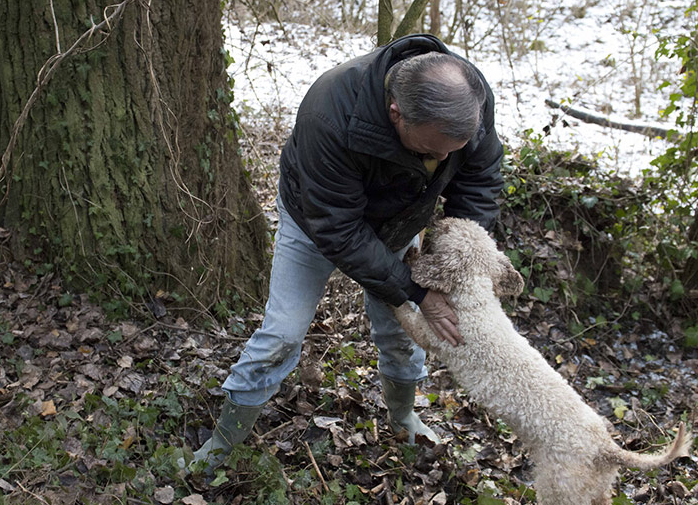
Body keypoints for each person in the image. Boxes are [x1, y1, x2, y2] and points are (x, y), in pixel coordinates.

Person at [191, 34, 504, 470]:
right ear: (396, 113)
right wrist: (414, 291)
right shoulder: (330, 110)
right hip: (314, 221)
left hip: (401, 220)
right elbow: (338, 231)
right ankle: (223, 441)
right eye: (430, 151)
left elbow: (480, 181)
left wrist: (455, 259)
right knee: (282, 334)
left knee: (402, 334)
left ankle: (402, 416)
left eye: (448, 153)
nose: (440, 160)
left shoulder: (468, 97)